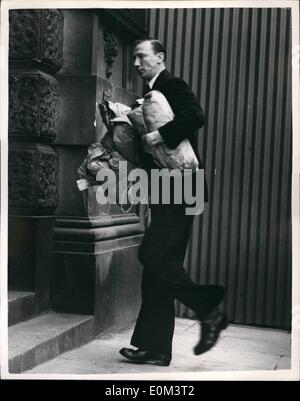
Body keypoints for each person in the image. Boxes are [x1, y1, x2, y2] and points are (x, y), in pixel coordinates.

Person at [119, 39, 227, 367]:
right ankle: (156, 348)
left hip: (182, 186)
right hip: (169, 187)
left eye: (142, 56)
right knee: (159, 267)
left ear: (160, 58)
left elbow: (195, 115)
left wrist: (158, 134)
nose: (137, 62)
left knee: (151, 255)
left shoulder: (171, 84)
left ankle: (210, 310)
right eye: (134, 57)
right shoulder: (151, 93)